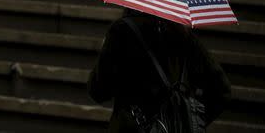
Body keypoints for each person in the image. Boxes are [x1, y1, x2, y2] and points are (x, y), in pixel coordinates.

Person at [87, 8, 231, 132]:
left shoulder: (120, 32)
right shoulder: (183, 35)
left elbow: (98, 92)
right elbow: (221, 90)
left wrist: (106, 54)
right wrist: (190, 120)